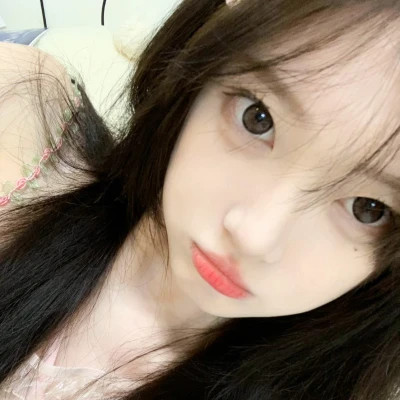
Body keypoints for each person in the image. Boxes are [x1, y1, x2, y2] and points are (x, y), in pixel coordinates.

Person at [1, 0, 400, 398]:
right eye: (257, 118)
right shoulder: (22, 117)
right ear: (198, 72)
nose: (254, 236)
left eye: (367, 209)